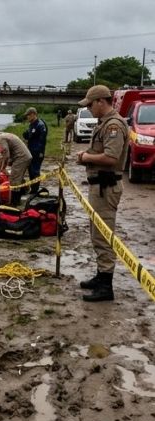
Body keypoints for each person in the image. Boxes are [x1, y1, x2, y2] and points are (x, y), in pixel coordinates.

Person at [75, 85, 129, 302]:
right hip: (99, 186)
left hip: (107, 188)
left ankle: (106, 286)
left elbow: (111, 158)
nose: (88, 108)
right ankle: (101, 275)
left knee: (104, 234)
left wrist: (86, 157)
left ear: (101, 102)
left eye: (90, 104)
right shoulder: (104, 124)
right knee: (97, 234)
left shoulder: (113, 125)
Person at [0, 126, 32, 205]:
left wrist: (2, 167)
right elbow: (2, 157)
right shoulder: (4, 135)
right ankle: (25, 191)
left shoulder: (0, 139)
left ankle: (15, 202)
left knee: (14, 180)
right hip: (24, 156)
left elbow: (6, 156)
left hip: (21, 157)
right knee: (18, 177)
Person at [23, 107, 48, 194]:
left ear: (33, 114)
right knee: (30, 170)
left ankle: (35, 190)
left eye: (28, 115)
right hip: (30, 151)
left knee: (35, 171)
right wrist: (25, 134)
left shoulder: (40, 125)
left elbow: (42, 140)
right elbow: (29, 136)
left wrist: (41, 152)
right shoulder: (32, 124)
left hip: (37, 152)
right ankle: (33, 189)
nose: (27, 117)